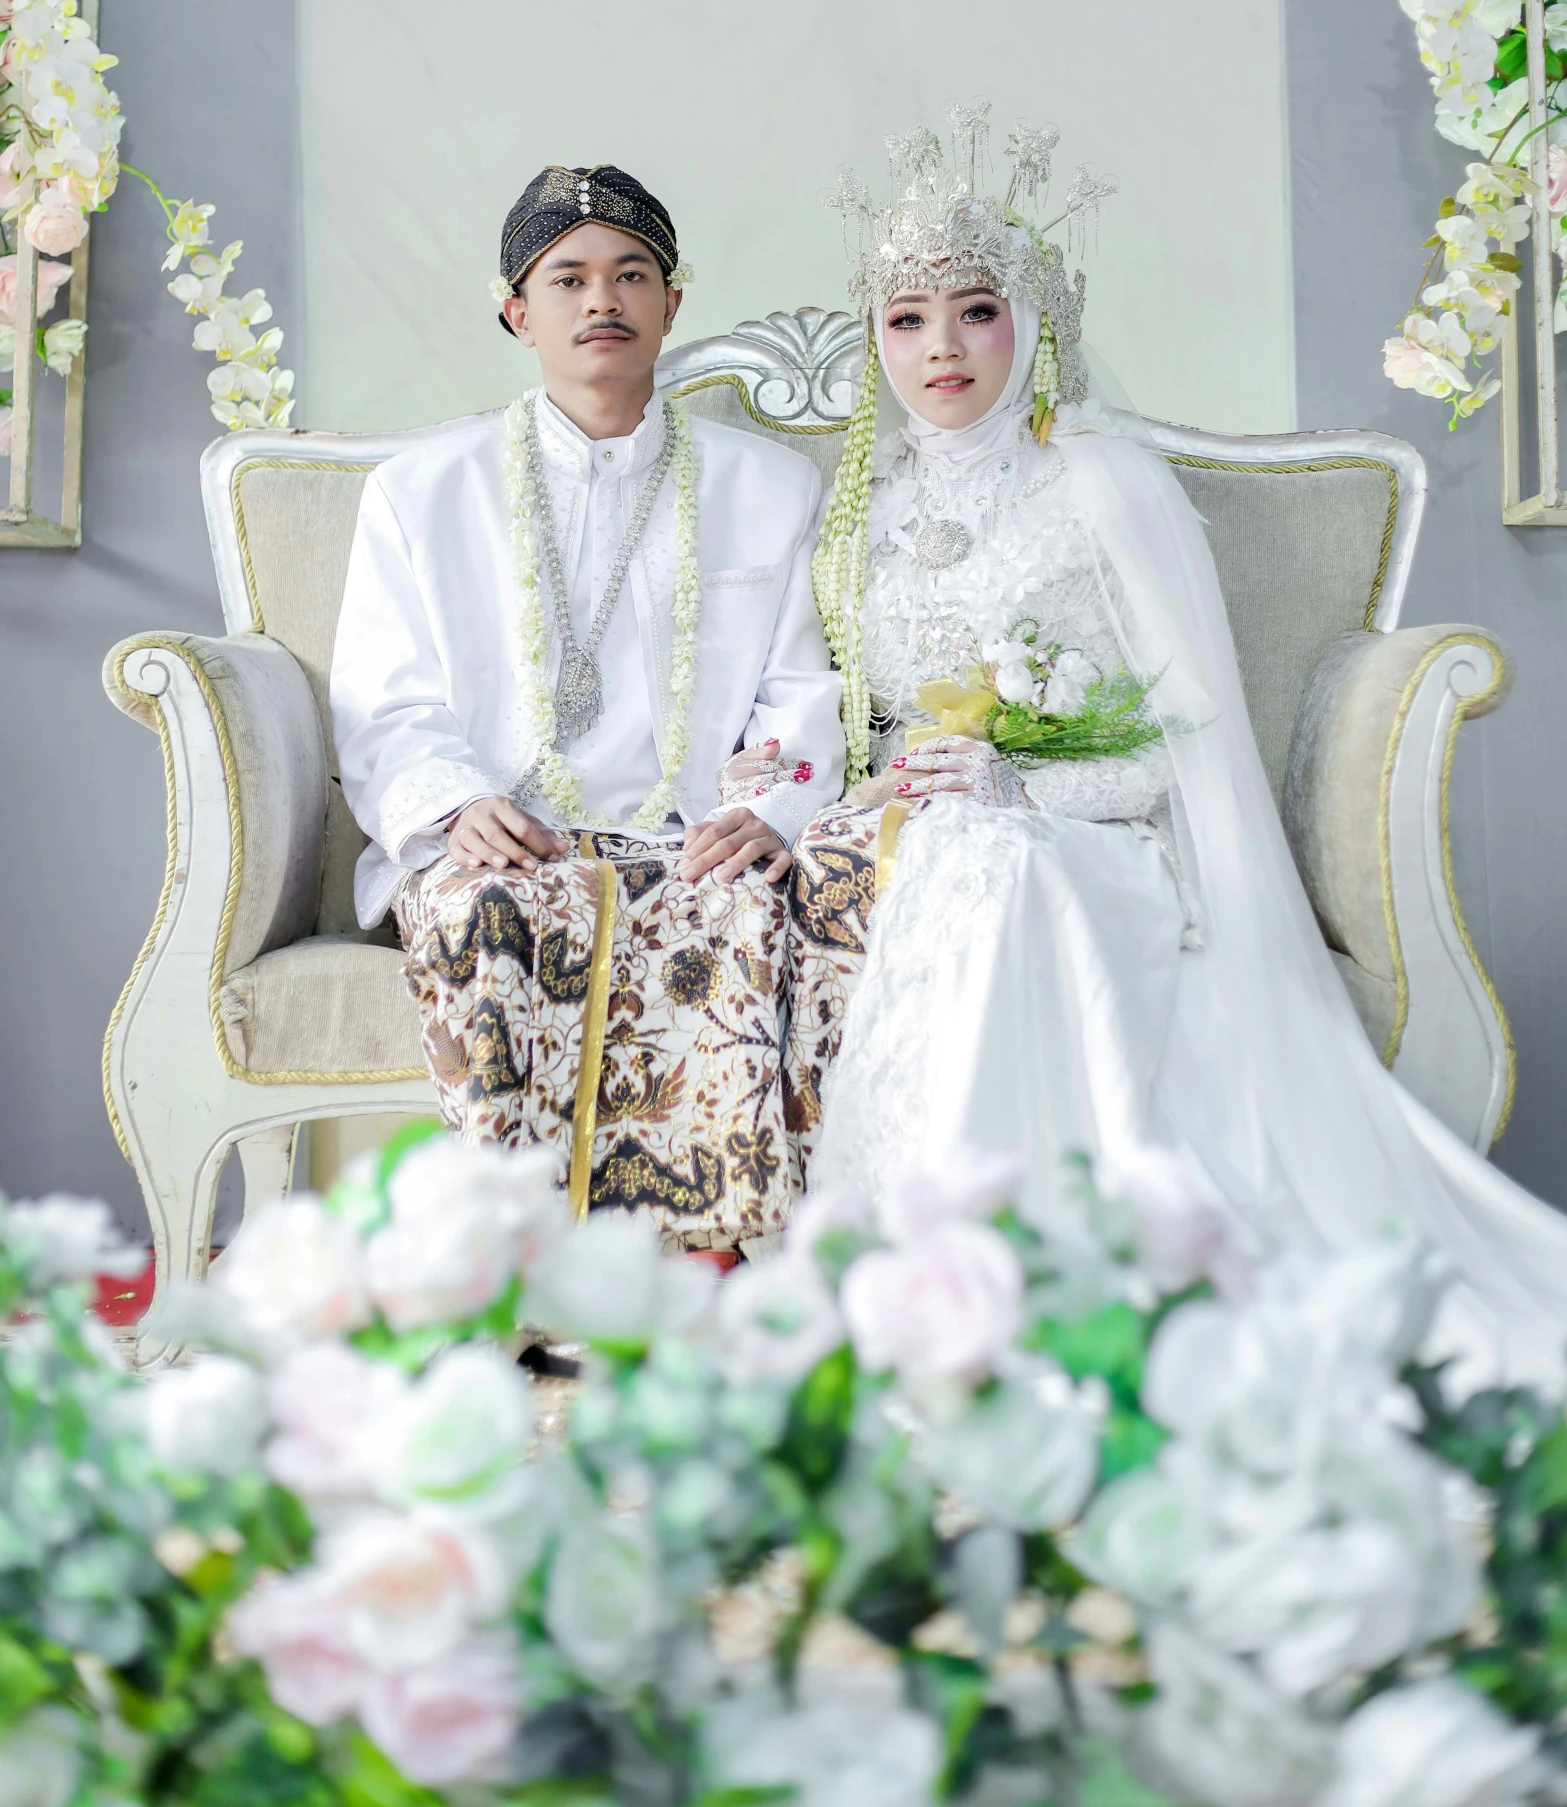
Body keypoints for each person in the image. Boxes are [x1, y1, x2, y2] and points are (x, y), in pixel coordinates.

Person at [786, 104, 1567, 1385]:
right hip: (912, 833)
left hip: (1099, 845)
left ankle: (1001, 1282)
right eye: (906, 318)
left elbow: (1180, 743)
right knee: (950, 855)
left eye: (975, 310)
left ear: (1030, 322)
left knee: (995, 863)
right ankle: (898, 1285)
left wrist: (1018, 779)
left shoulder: (1100, 482)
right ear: (873, 337)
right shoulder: (856, 512)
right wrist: (873, 780)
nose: (941, 347)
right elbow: (852, 717)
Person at [331, 163, 844, 1259]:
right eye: (566, 279)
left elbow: (796, 690)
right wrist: (453, 807)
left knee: (749, 911)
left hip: (686, 833)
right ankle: (516, 1264)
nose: (600, 301)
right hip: (505, 836)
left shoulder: (767, 487)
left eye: (631, 274)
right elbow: (386, 696)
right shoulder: (423, 490)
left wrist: (773, 812)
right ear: (517, 311)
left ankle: (703, 1261)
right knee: (491, 914)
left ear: (673, 304)